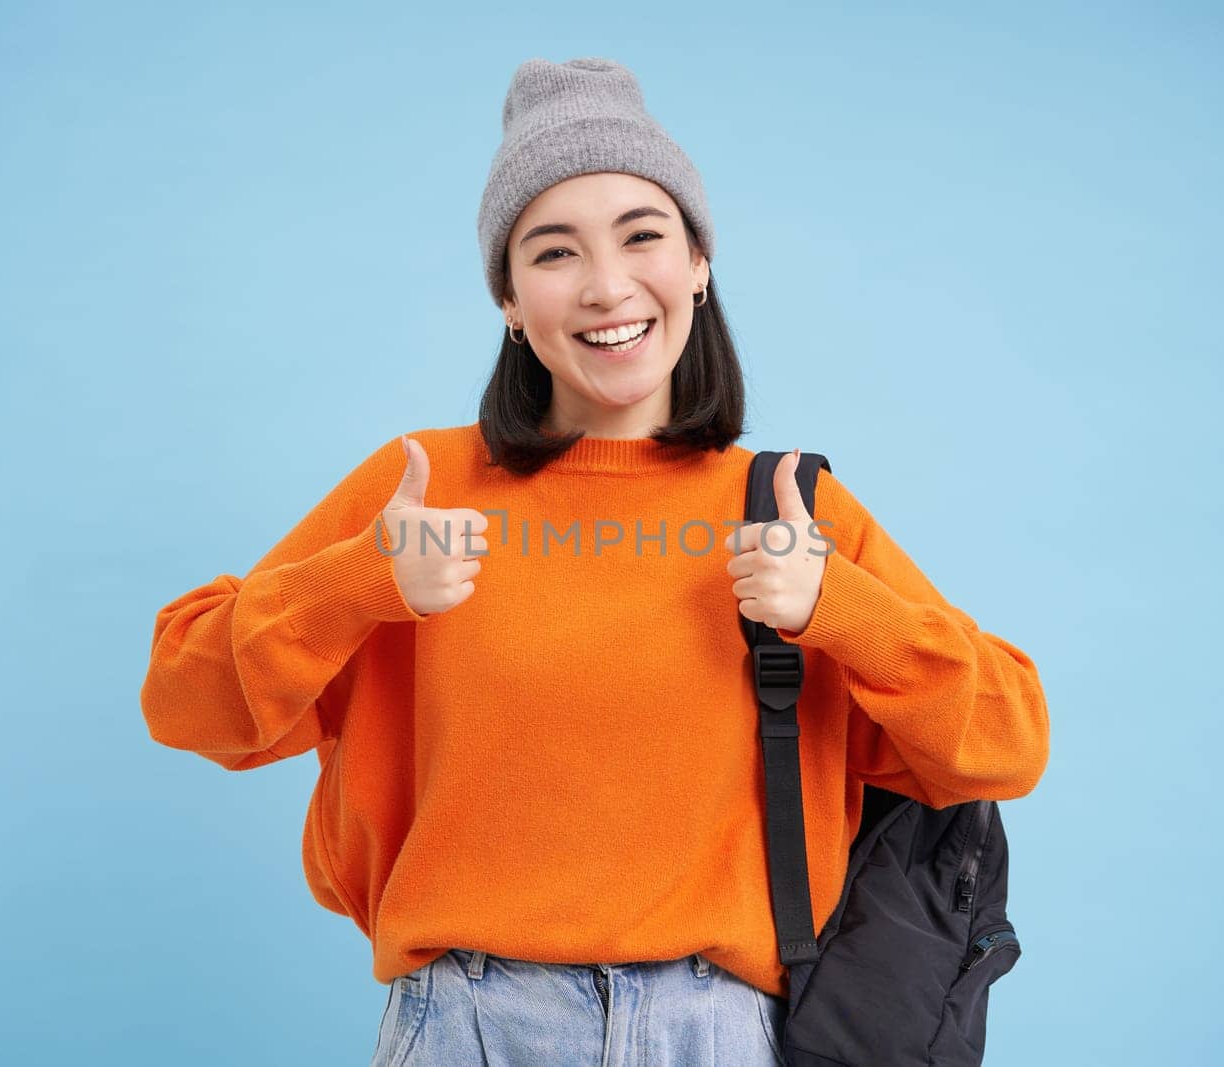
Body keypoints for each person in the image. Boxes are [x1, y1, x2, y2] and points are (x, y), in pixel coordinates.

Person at [139, 56, 1050, 1067]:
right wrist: (357, 584)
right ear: (509, 300)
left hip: (718, 1030)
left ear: (699, 264)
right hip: (466, 1025)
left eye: (643, 235)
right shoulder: (420, 491)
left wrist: (837, 605)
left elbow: (1005, 743)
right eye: (554, 251)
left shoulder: (790, 509)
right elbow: (186, 704)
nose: (607, 285)